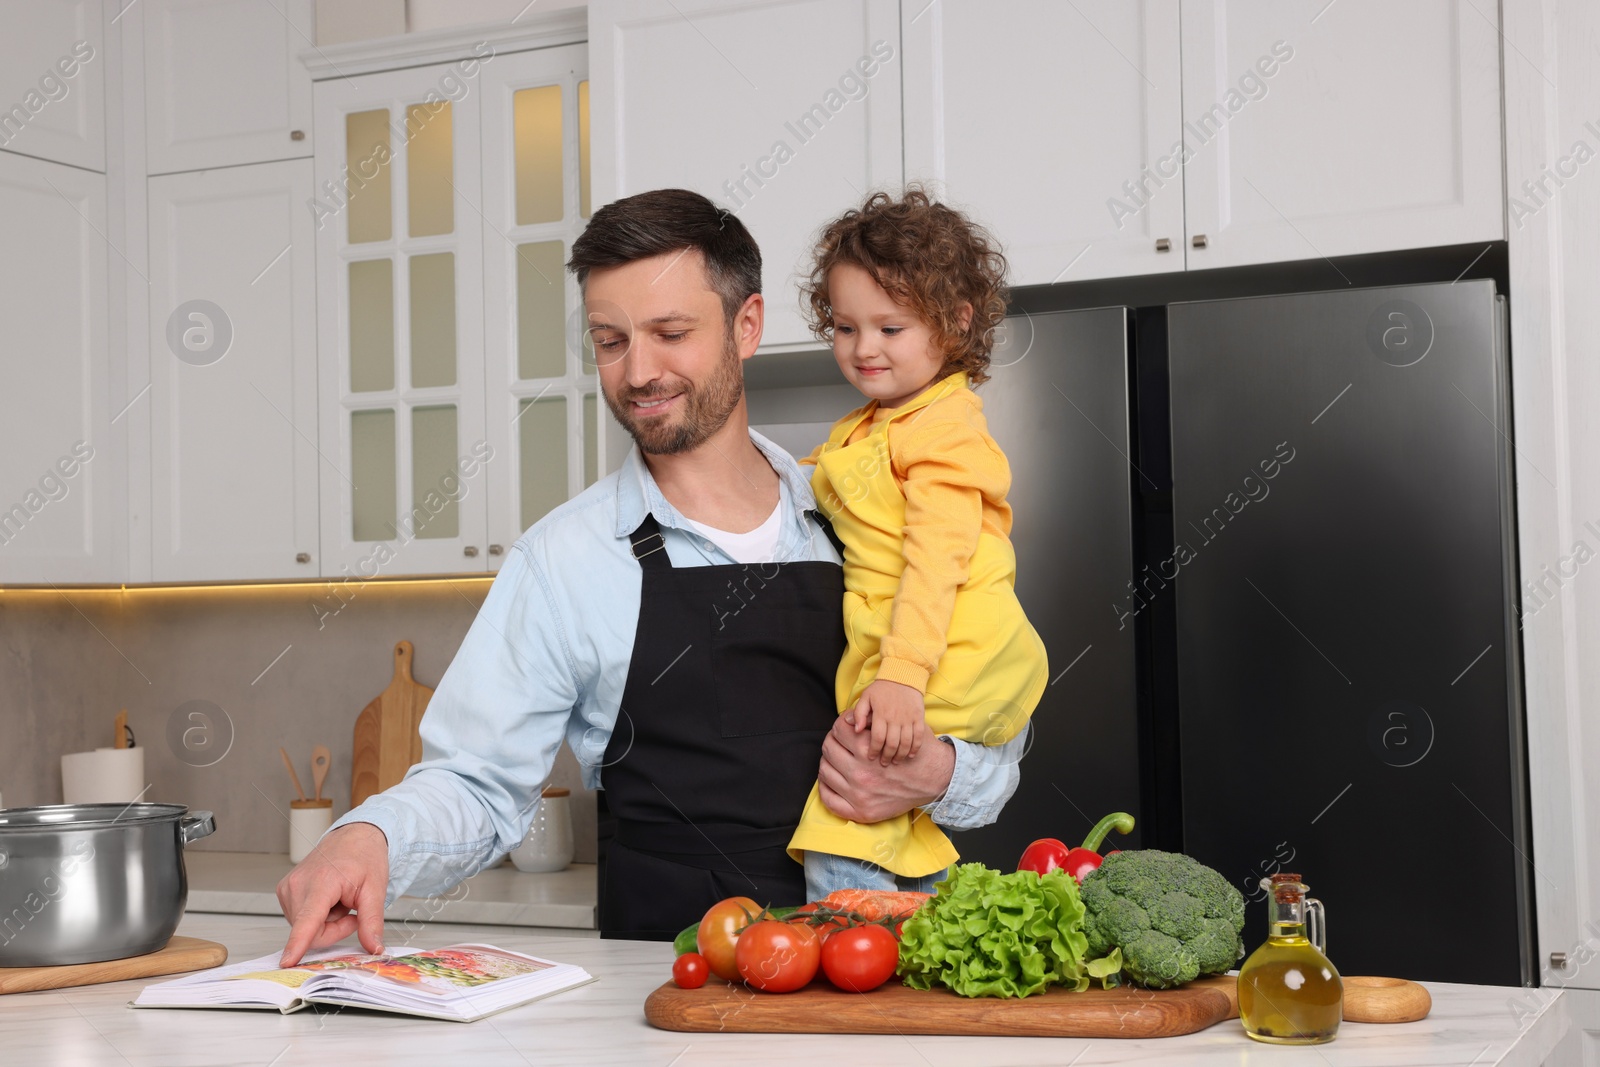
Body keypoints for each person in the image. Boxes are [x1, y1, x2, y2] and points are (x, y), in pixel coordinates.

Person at [275, 188, 1028, 961]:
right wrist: (365, 839)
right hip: (663, 994)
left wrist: (933, 773)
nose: (638, 372)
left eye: (671, 333)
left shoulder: (860, 512)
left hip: (871, 981)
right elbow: (476, 782)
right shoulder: (565, 558)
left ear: (748, 326)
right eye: (609, 340)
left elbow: (991, 739)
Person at [787, 189, 1050, 901]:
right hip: (909, 651)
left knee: (854, 794)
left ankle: (857, 927)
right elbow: (819, 480)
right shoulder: (874, 422)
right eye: (845, 327)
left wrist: (901, 677)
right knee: (875, 796)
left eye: (890, 327)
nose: (863, 347)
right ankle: (909, 920)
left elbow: (936, 561)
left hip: (948, 652)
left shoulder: (946, 430)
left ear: (955, 321)